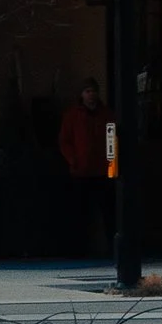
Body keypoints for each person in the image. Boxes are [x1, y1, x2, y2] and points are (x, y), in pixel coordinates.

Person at [58, 77, 109, 251]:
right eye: (87, 91)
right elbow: (65, 141)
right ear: (82, 95)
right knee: (79, 213)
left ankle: (110, 247)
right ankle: (78, 249)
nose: (91, 95)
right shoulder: (72, 116)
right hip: (81, 171)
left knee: (108, 212)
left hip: (103, 171)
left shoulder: (106, 115)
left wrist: (112, 165)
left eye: (93, 91)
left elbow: (113, 140)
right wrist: (74, 161)